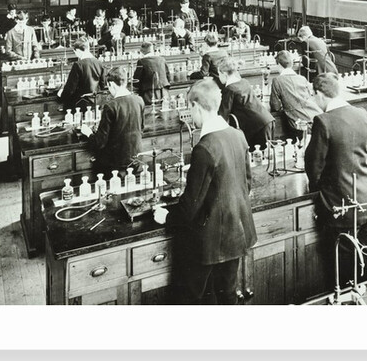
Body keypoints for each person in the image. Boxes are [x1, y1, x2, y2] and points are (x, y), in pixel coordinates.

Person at [153, 79, 257, 305]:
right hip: (236, 233)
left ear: (196, 107)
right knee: (227, 294)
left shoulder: (205, 148)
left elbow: (190, 206)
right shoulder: (237, 134)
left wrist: (166, 216)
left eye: (190, 109)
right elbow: (246, 183)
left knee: (194, 298)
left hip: (209, 242)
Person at [303, 72, 367, 290]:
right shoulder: (361, 113)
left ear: (319, 94)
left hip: (342, 201)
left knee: (344, 265)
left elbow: (314, 164)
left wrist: (317, 188)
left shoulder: (323, 120)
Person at [79, 66, 145, 176]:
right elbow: (141, 128)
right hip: (136, 159)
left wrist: (88, 133)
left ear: (111, 84)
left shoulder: (111, 106)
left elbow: (100, 142)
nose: (109, 90)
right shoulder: (139, 100)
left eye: (108, 87)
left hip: (116, 164)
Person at [217, 57, 275, 151]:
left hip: (256, 127)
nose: (218, 77)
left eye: (219, 74)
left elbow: (223, 115)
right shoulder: (244, 82)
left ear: (224, 74)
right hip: (267, 120)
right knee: (267, 157)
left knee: (258, 158)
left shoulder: (229, 89)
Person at [269, 49, 322, 141]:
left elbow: (275, 106)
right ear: (292, 64)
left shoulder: (277, 80)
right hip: (316, 116)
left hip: (299, 123)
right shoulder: (302, 78)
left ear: (278, 64)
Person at [57, 37, 106, 112]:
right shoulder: (99, 63)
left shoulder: (78, 65)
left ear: (77, 50)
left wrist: (61, 95)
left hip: (80, 104)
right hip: (96, 104)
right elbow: (103, 85)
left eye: (75, 52)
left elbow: (70, 89)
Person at [133, 41, 170, 106]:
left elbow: (136, 80)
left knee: (150, 112)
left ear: (142, 51)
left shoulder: (141, 61)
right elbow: (168, 76)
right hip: (164, 92)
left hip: (149, 94)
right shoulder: (162, 59)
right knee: (165, 111)